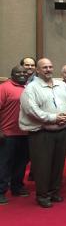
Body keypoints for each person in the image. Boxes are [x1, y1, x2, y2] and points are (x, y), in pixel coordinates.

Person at [19, 58, 66, 208]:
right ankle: (42, 195)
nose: (48, 69)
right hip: (41, 133)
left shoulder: (62, 85)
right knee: (42, 165)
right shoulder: (31, 88)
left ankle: (54, 192)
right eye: (44, 67)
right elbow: (31, 111)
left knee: (58, 164)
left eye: (50, 67)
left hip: (62, 132)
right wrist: (54, 118)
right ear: (37, 70)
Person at [0, 65, 29, 205]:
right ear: (12, 74)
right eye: (19, 72)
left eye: (25, 72)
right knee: (5, 164)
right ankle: (1, 191)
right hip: (7, 134)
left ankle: (17, 187)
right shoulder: (4, 88)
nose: (22, 74)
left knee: (21, 163)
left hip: (26, 133)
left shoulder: (29, 87)